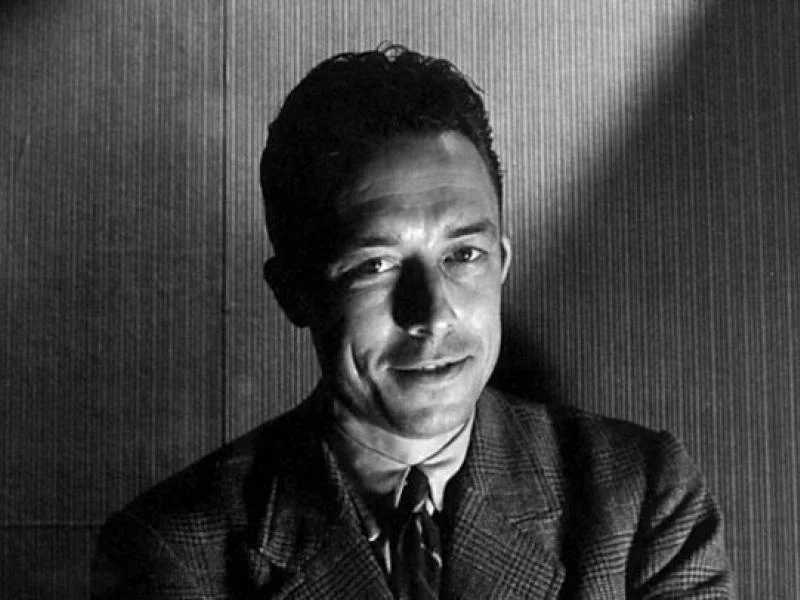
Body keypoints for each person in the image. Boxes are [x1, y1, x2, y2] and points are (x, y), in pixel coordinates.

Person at [91, 46, 733, 599]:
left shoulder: (642, 496)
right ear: (295, 294)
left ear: (502, 263)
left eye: (464, 255)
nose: (432, 314)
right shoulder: (174, 550)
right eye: (375, 265)